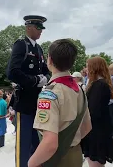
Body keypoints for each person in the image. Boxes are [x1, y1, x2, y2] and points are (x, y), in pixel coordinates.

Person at [28, 39, 92, 167]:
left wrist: (31, 163)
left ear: (49, 60)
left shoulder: (49, 93)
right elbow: (87, 127)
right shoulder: (79, 88)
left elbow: (50, 143)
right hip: (75, 155)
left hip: (56, 159)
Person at [6, 15, 50, 167]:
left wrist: (46, 77)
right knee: (23, 144)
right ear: (29, 27)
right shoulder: (21, 45)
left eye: (41, 28)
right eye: (38, 28)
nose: (41, 32)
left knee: (35, 141)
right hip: (24, 101)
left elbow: (46, 70)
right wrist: (36, 81)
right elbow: (12, 72)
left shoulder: (38, 48)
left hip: (36, 101)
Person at [81, 56, 113, 167]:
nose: (86, 69)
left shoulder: (100, 85)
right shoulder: (99, 83)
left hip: (97, 129)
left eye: (87, 66)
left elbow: (94, 110)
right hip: (97, 127)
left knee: (95, 159)